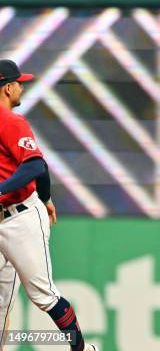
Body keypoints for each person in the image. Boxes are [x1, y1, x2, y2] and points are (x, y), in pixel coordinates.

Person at [0, 59, 97, 350]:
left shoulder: (12, 121)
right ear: (7, 87)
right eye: (19, 83)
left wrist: (44, 198)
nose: (22, 87)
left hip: (21, 218)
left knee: (44, 294)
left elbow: (35, 166)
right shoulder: (9, 120)